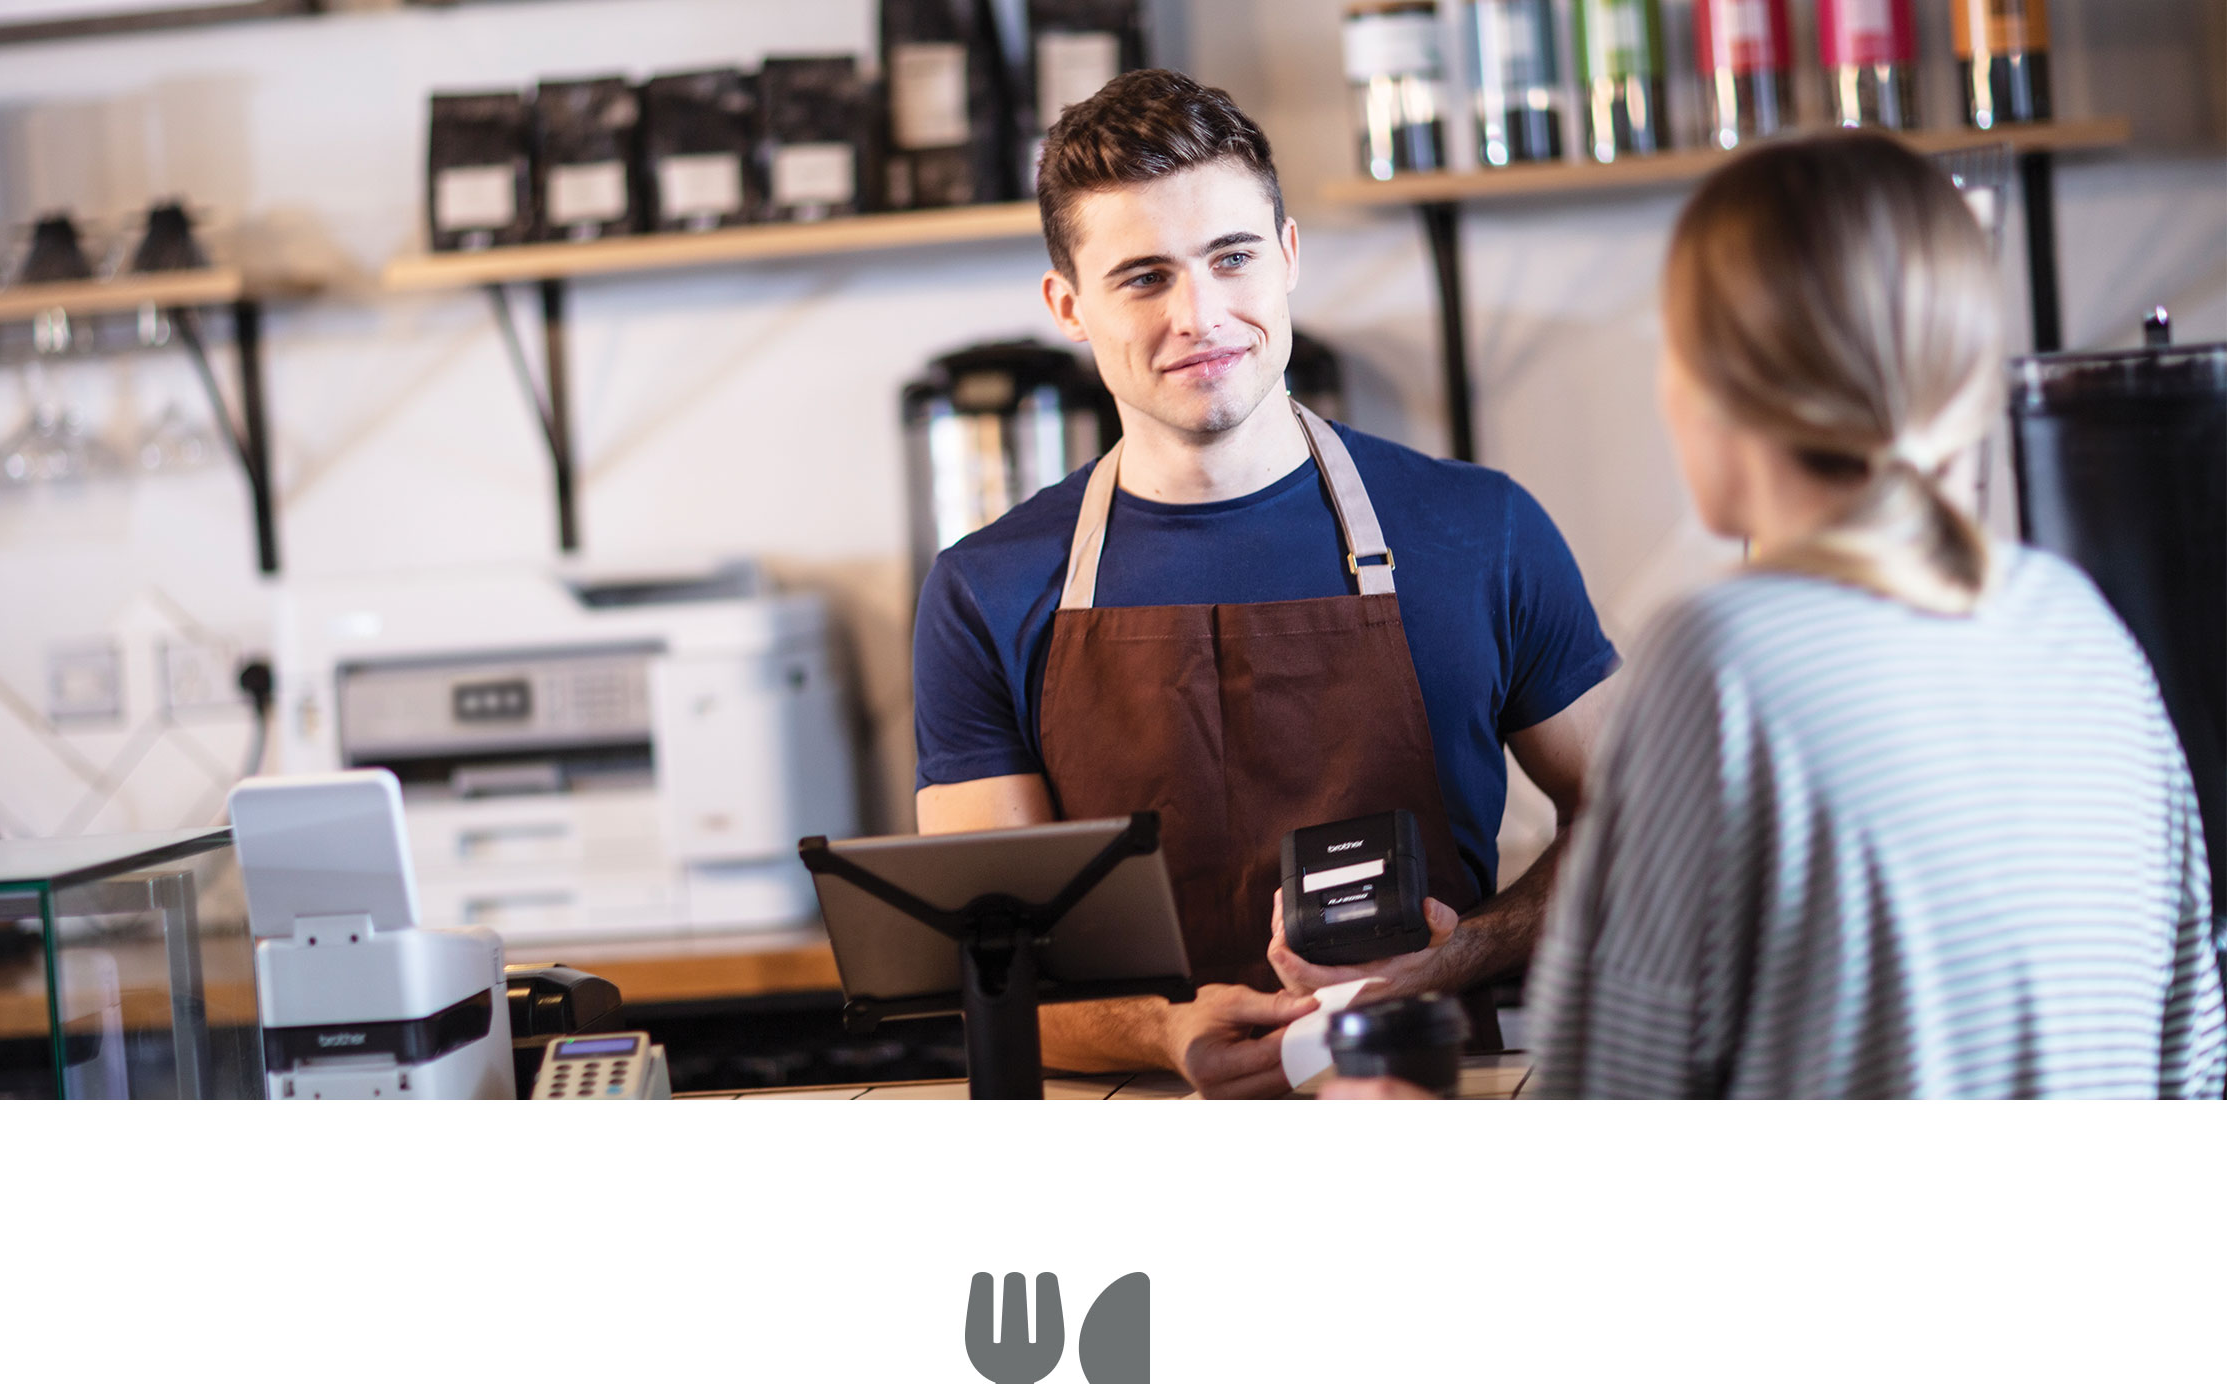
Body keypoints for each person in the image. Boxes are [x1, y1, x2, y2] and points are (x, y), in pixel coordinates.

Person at [1331, 132, 2225, 1100]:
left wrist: (1402, 1120)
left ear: (1721, 388)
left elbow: (1615, 1125)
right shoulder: (2078, 627)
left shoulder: (1723, 663)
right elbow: (2193, 1067)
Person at [912, 71, 1620, 1098]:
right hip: (1139, 1130)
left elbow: (1631, 821)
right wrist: (1163, 1033)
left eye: (1231, 257)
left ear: (1286, 258)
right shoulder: (985, 589)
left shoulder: (1480, 530)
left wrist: (1459, 952)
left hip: (1417, 1109)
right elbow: (988, 954)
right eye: (1144, 277)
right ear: (1069, 305)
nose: (1201, 314)